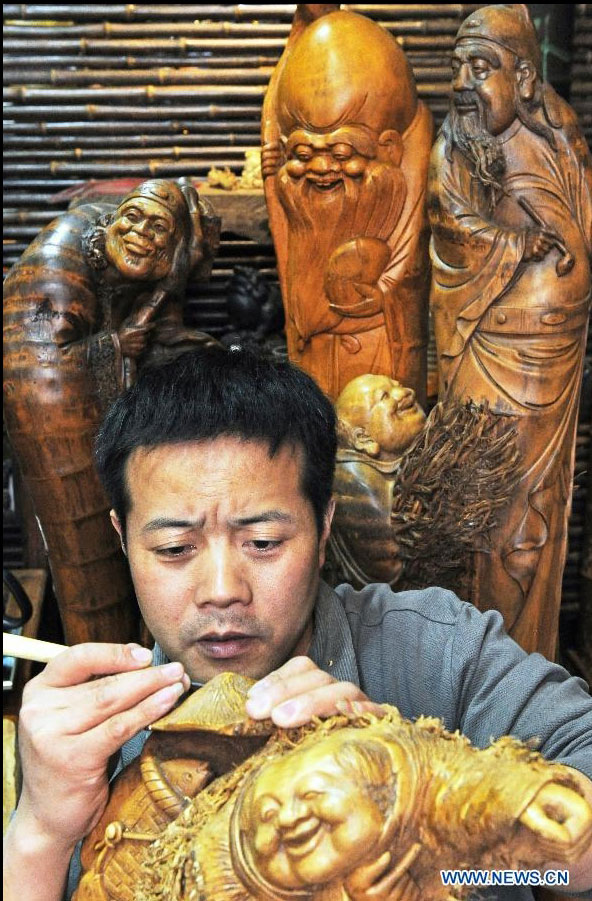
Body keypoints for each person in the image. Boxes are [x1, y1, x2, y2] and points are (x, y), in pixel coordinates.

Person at [3, 346, 591, 901]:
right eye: (175, 548)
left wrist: (421, 797)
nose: (222, 591)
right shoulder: (87, 734)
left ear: (324, 525)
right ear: (122, 540)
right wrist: (41, 826)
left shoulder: (440, 653)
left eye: (262, 542)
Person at [429, 5, 592, 658]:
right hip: (486, 354)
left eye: (482, 66)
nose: (466, 81)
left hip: (553, 367)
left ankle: (535, 656)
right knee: (488, 513)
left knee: (538, 511)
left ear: (524, 75)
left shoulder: (559, 136)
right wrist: (519, 243)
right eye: (458, 66)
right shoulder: (456, 145)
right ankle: (481, 663)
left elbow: (579, 229)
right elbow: (452, 228)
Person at [3, 178, 218, 645]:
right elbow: (36, 369)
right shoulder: (54, 274)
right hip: (49, 415)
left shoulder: (131, 262)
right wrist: (116, 347)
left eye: (159, 228)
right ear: (111, 220)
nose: (141, 232)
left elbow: (161, 318)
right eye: (134, 218)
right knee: (90, 556)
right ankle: (103, 663)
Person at [262, 6, 433, 402]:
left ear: (389, 149)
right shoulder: (294, 192)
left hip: (377, 356)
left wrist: (382, 296)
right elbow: (272, 122)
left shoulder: (403, 180)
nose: (320, 168)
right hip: (311, 356)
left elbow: (409, 269)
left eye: (341, 151)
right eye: (304, 152)